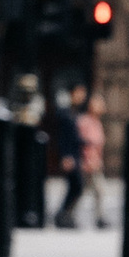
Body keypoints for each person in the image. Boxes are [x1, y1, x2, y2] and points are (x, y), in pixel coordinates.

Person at [48, 81, 84, 229]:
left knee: (76, 186)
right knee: (76, 185)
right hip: (69, 155)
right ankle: (62, 214)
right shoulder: (65, 112)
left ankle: (65, 214)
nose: (82, 96)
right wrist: (65, 156)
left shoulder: (75, 111)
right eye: (79, 92)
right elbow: (63, 137)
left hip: (75, 153)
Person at [73, 90, 107, 230]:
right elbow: (83, 144)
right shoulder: (84, 121)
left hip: (95, 162)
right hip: (87, 162)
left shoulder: (97, 123)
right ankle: (68, 213)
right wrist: (88, 161)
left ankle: (98, 218)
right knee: (88, 190)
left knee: (91, 190)